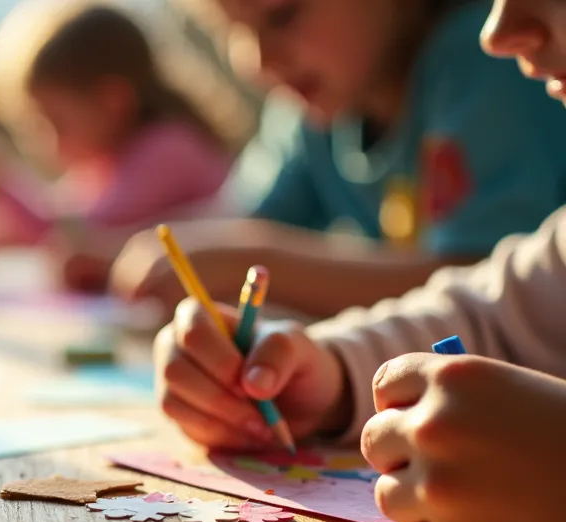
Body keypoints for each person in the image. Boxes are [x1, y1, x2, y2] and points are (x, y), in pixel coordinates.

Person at [152, 0, 566, 522]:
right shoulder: (317, 115)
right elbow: (500, 314)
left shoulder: (472, 70)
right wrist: (330, 374)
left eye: (283, 14)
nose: (496, 32)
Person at [115, 0, 566, 319]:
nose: (258, 61)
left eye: (282, 14)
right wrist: (116, 248)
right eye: (232, 30)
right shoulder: (317, 109)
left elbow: (491, 289)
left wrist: (250, 265)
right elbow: (238, 221)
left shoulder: (485, 56)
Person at [0, 3, 232, 293]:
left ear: (113, 100)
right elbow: (59, 210)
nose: (46, 142)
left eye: (56, 123)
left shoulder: (169, 148)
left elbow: (74, 235)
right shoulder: (109, 158)